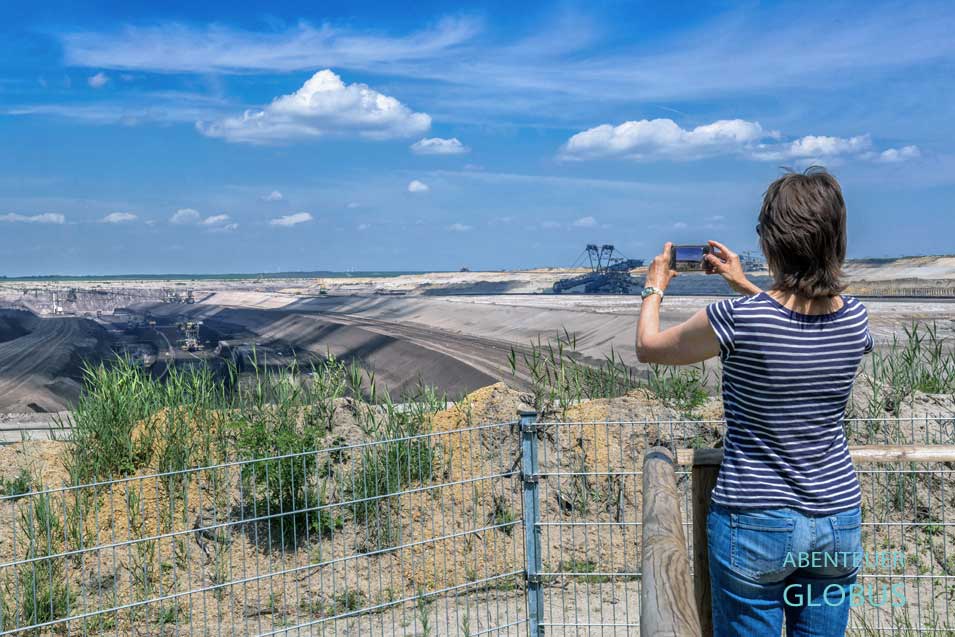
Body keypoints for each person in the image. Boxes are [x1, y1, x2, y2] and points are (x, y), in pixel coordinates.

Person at [635, 167, 871, 637]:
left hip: (755, 521)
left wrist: (654, 286)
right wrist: (744, 283)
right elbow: (793, 325)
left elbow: (649, 346)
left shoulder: (738, 319)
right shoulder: (858, 321)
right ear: (836, 239)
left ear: (772, 242)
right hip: (836, 519)